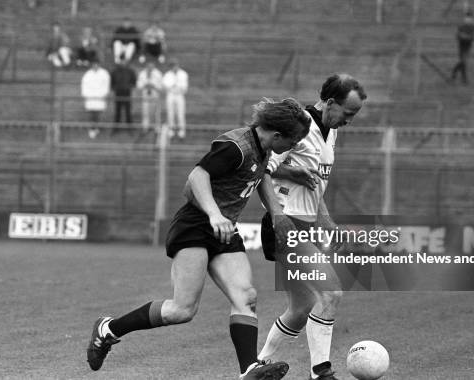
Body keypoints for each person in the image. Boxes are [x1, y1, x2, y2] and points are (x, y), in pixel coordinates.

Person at [86, 98, 311, 379]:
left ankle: (249, 370)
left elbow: (262, 175)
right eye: (292, 141)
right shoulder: (236, 146)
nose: (292, 147)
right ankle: (108, 329)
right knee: (182, 310)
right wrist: (215, 214)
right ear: (277, 134)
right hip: (196, 225)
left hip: (224, 229)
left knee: (246, 296)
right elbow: (197, 176)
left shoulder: (264, 148)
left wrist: (277, 214)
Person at [257, 74, 367, 380]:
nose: (349, 121)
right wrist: (291, 178)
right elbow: (264, 170)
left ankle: (258, 366)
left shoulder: (330, 131)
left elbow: (315, 186)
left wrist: (328, 223)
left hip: (305, 226)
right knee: (331, 293)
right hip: (284, 224)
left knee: (302, 307)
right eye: (348, 113)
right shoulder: (297, 126)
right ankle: (321, 373)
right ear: (330, 103)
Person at [80, 56, 111, 138]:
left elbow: (106, 85)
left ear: (99, 65)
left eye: (97, 64)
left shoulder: (104, 73)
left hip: (100, 97)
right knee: (91, 114)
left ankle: (96, 127)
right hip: (90, 97)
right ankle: (92, 129)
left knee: (98, 114)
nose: (95, 66)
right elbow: (84, 85)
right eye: (94, 64)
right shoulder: (87, 74)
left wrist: (103, 94)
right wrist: (86, 95)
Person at [162, 59, 188, 139]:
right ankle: (171, 130)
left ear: (178, 66)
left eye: (176, 65)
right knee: (170, 113)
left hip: (180, 95)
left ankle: (181, 131)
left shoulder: (183, 74)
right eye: (173, 66)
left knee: (180, 113)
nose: (174, 67)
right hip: (170, 95)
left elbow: (184, 87)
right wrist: (173, 85)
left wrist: (177, 86)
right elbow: (165, 85)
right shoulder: (167, 75)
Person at [110, 62, 137, 133]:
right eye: (122, 60)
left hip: (127, 92)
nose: (123, 62)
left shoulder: (130, 71)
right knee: (117, 110)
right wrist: (114, 88)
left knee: (128, 110)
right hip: (118, 92)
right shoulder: (115, 71)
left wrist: (130, 86)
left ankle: (130, 127)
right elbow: (112, 81)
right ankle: (116, 127)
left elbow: (134, 80)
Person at [450, 10, 474, 85]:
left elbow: (473, 37)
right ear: (465, 18)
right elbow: (458, 36)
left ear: (472, 19)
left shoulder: (473, 27)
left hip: (468, 46)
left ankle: (458, 75)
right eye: (467, 18)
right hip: (462, 46)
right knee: (463, 61)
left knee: (464, 62)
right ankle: (462, 78)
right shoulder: (461, 26)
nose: (468, 19)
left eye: (470, 18)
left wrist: (465, 36)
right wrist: (465, 36)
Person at [136, 62, 163, 132]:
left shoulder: (158, 74)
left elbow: (161, 86)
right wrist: (145, 85)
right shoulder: (142, 73)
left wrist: (154, 85)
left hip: (155, 94)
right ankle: (145, 127)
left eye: (152, 66)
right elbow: (138, 85)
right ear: (146, 66)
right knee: (145, 112)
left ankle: (157, 127)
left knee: (156, 112)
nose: (150, 68)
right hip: (146, 94)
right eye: (148, 66)